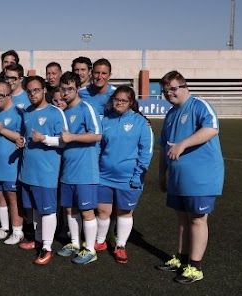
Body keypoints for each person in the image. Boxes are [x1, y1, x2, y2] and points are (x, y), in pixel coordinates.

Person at [156, 71, 224, 284]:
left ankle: (195, 267)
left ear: (185, 86)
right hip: (178, 176)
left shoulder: (199, 105)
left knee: (196, 219)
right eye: (165, 91)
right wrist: (161, 172)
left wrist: (183, 144)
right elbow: (163, 147)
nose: (169, 94)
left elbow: (211, 129)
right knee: (182, 220)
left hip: (201, 176)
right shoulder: (170, 114)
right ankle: (182, 258)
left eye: (173, 89)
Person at [96, 86, 154, 263]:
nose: (119, 103)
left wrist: (138, 176)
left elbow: (147, 151)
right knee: (103, 210)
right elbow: (98, 146)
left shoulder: (140, 122)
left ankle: (120, 245)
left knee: (124, 212)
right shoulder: (105, 120)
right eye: (116, 99)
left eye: (123, 100)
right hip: (104, 176)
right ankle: (99, 241)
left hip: (128, 178)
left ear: (131, 103)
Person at [18, 76, 67, 264]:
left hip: (47, 172)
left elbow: (64, 140)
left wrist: (44, 138)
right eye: (29, 91)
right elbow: (26, 136)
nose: (32, 94)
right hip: (28, 171)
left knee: (47, 210)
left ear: (44, 90)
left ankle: (47, 247)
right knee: (36, 209)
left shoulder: (55, 112)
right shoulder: (27, 112)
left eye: (36, 90)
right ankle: (38, 240)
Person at [56, 71, 103, 265]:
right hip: (68, 171)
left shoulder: (86, 108)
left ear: (77, 89)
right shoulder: (63, 113)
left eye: (70, 89)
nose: (65, 93)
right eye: (63, 89)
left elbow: (98, 135)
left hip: (85, 171)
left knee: (87, 211)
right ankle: (75, 243)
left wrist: (72, 138)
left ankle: (90, 249)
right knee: (70, 209)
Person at [0, 81, 23, 243]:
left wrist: (2, 130)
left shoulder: (18, 113)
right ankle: (4, 227)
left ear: (9, 96)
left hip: (12, 164)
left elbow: (21, 138)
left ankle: (17, 231)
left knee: (12, 197)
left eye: (0, 95)